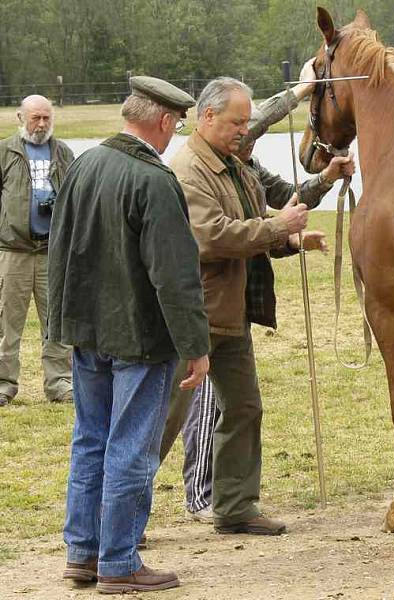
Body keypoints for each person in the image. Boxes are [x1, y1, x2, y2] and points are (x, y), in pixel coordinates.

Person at [159, 73, 353, 536]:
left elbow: (266, 216)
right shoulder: (188, 170)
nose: (245, 130)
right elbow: (211, 237)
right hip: (196, 316)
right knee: (163, 419)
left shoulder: (235, 165)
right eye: (237, 122)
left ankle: (235, 506)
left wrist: (294, 230)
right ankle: (118, 516)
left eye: (247, 121)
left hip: (232, 314)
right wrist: (277, 228)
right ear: (207, 117)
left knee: (244, 408)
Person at [49, 76, 210, 593]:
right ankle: (119, 562)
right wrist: (196, 347)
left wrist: (63, 324)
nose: (176, 134)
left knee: (90, 441)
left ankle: (83, 554)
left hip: (87, 332)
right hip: (140, 339)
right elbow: (176, 276)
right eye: (177, 124)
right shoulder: (154, 180)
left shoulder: (83, 164)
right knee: (131, 449)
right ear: (163, 121)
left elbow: (60, 250)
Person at [0, 95, 73, 406]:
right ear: (21, 117)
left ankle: (60, 384)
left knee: (56, 323)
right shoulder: (5, 151)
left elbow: (73, 199)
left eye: (46, 118)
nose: (41, 124)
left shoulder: (63, 152)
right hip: (13, 251)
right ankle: (3, 385)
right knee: (6, 324)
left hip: (50, 252)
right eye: (35, 118)